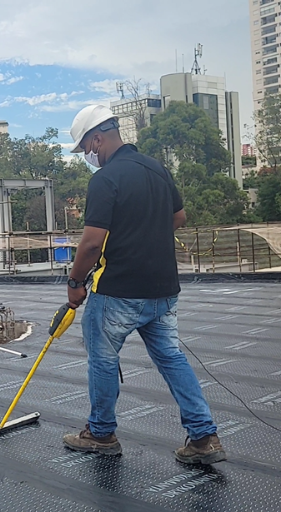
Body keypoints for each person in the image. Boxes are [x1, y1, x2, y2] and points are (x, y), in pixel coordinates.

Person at [61, 105, 225, 465]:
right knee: (171, 357)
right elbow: (178, 217)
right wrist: (147, 236)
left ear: (98, 138)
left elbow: (91, 243)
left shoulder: (106, 178)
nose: (88, 155)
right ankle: (203, 437)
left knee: (103, 360)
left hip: (118, 291)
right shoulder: (157, 169)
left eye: (86, 148)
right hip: (163, 290)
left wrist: (75, 282)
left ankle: (101, 433)